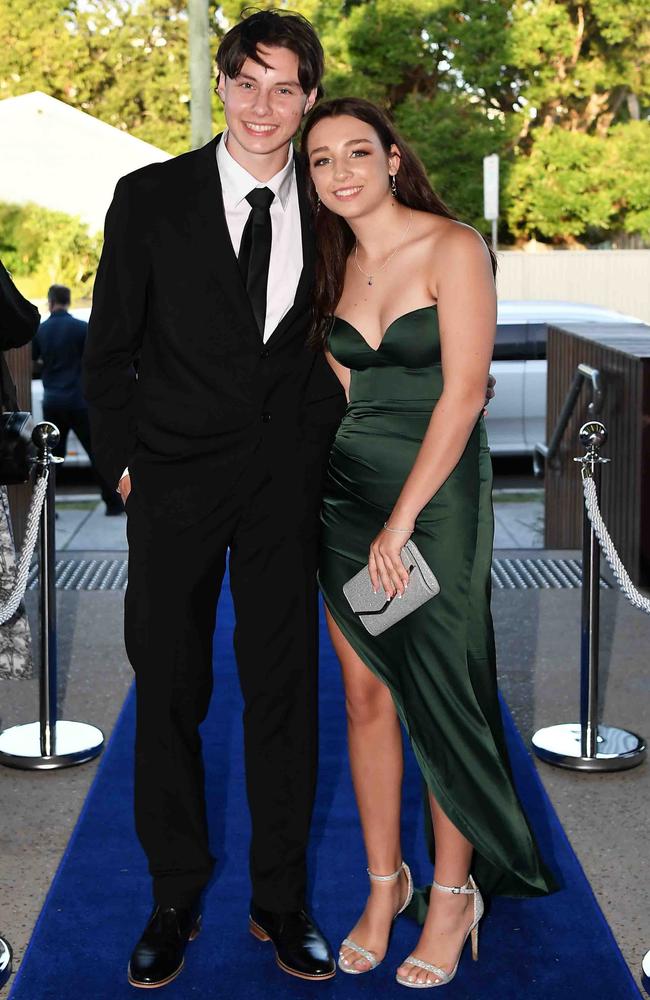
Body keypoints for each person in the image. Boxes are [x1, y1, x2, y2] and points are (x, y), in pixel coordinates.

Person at [83, 10, 344, 989]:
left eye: (286, 87)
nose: (263, 105)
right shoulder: (149, 198)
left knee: (283, 696)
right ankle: (173, 891)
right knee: (172, 693)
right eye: (247, 82)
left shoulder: (335, 203)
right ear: (221, 84)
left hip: (286, 485)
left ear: (309, 98)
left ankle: (281, 901)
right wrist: (121, 462)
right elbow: (108, 352)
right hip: (173, 483)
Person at [302, 98, 558, 990]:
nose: (340, 171)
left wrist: (403, 519)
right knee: (367, 699)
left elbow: (462, 394)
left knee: (443, 697)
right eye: (321, 159)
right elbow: (343, 398)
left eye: (357, 151)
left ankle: (454, 893)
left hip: (437, 502)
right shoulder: (326, 265)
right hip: (348, 503)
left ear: (393, 156)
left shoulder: (454, 246)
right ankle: (386, 886)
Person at [34, 285, 123, 515]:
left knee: (51, 458)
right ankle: (113, 503)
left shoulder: (41, 331)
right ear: (68, 301)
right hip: (79, 400)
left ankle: (45, 509)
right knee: (96, 453)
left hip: (53, 401)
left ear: (50, 301)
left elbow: (34, 360)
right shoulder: (81, 328)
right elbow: (95, 360)